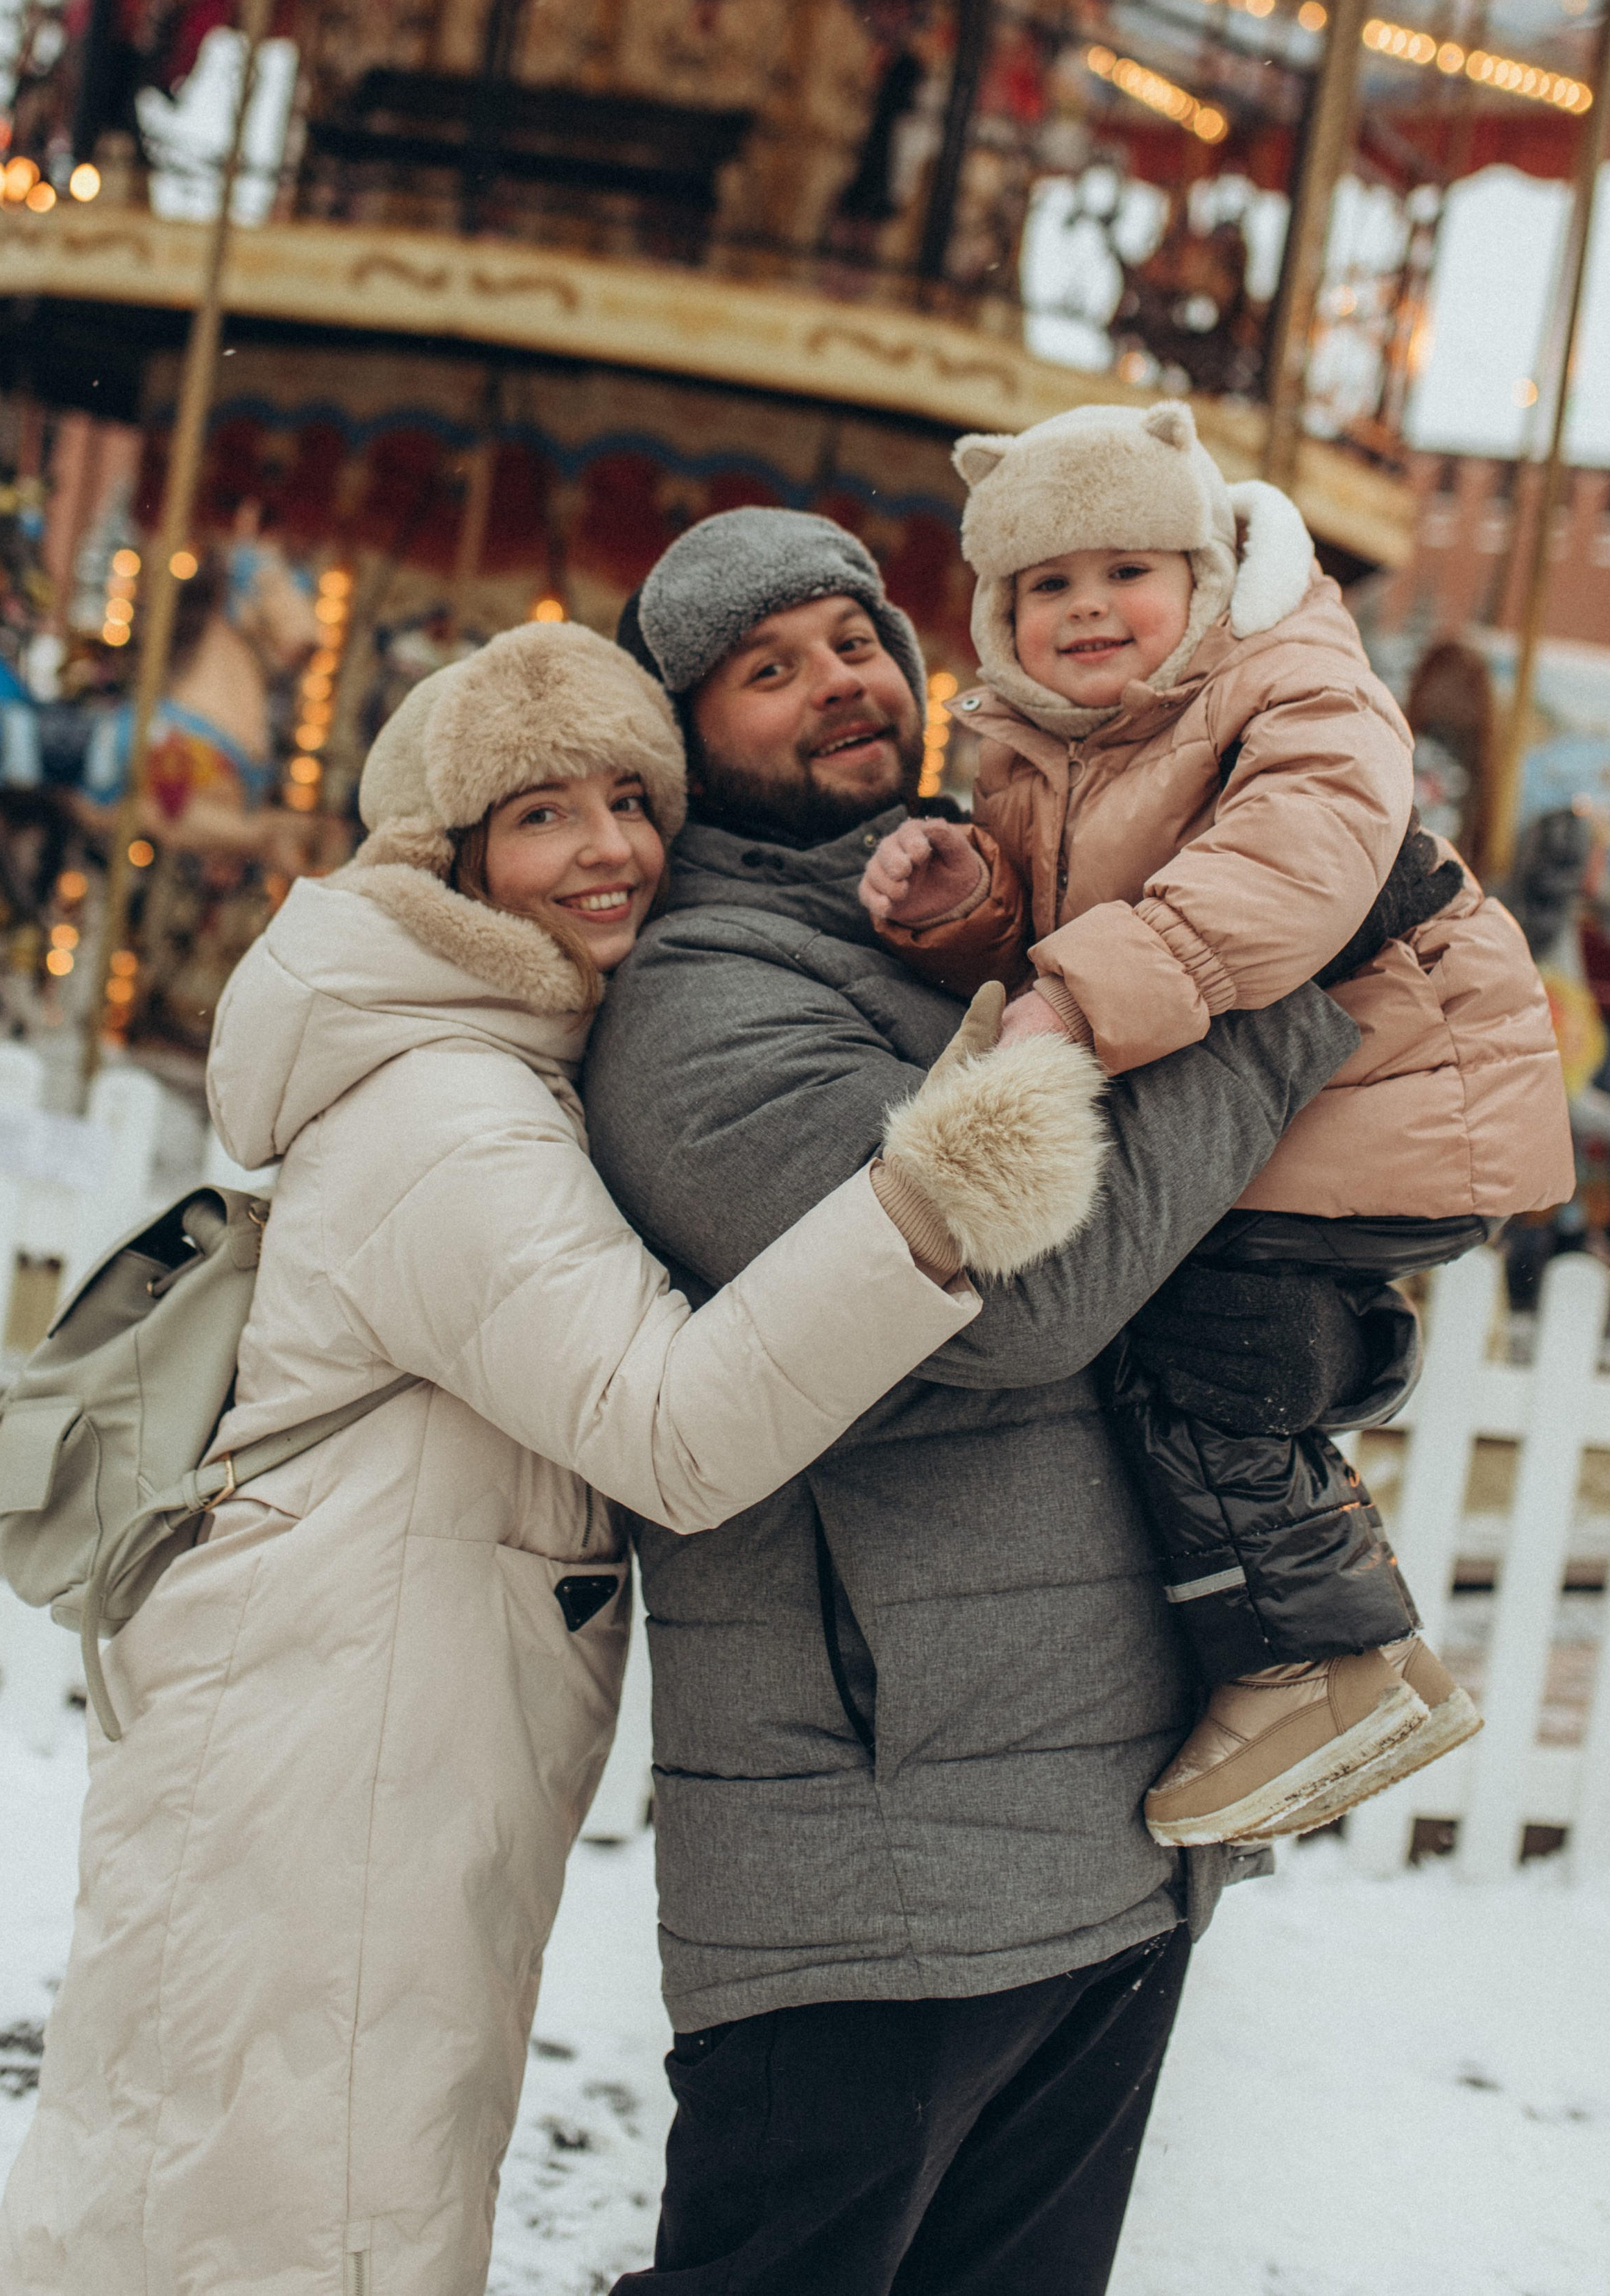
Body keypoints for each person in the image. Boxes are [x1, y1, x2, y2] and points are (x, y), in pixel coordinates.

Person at [0, 620, 1106, 2296]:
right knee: (290, 2215)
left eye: (631, 799)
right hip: (335, 1751)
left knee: (195, 2174)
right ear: (454, 856)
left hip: (352, 1731)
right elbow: (668, 1425)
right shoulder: (451, 1116)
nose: (610, 850)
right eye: (544, 816)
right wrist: (928, 1202)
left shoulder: (485, 1065)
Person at [585, 506, 1440, 2296]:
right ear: (682, 739)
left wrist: (1340, 1346)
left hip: (1117, 1823)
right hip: (877, 1862)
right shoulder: (704, 1007)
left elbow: (1190, 1250)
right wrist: (1291, 997)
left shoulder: (1002, 917)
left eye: (852, 637)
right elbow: (1018, 1292)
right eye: (767, 668)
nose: (839, 681)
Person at [858, 400, 1573, 1847]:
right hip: (1294, 1105)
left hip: (1393, 1079)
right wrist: (966, 911)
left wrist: (1074, 998)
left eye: (1123, 570)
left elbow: (1286, 866)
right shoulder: (1037, 742)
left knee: (1201, 1345)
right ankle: (1335, 1620)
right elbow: (1061, 912)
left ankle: (1317, 1663)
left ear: (1201, 570)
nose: (1084, 610)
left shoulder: (1292, 684)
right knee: (1180, 1330)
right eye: (1042, 587)